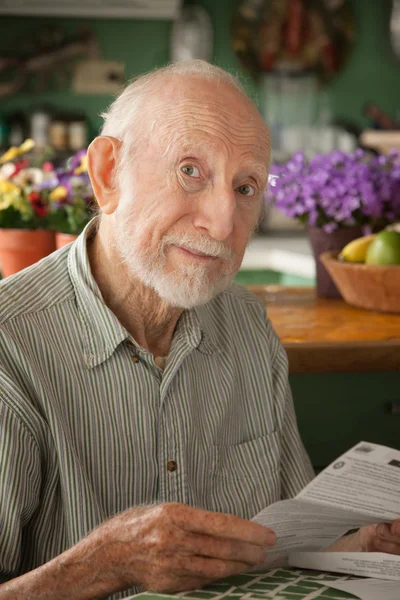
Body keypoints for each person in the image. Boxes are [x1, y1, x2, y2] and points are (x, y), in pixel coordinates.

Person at [0, 61, 399, 600]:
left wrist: (359, 543)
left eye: (245, 186)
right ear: (107, 173)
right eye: (190, 170)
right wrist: (105, 563)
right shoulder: (11, 343)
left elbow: (289, 540)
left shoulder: (247, 323)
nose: (223, 222)